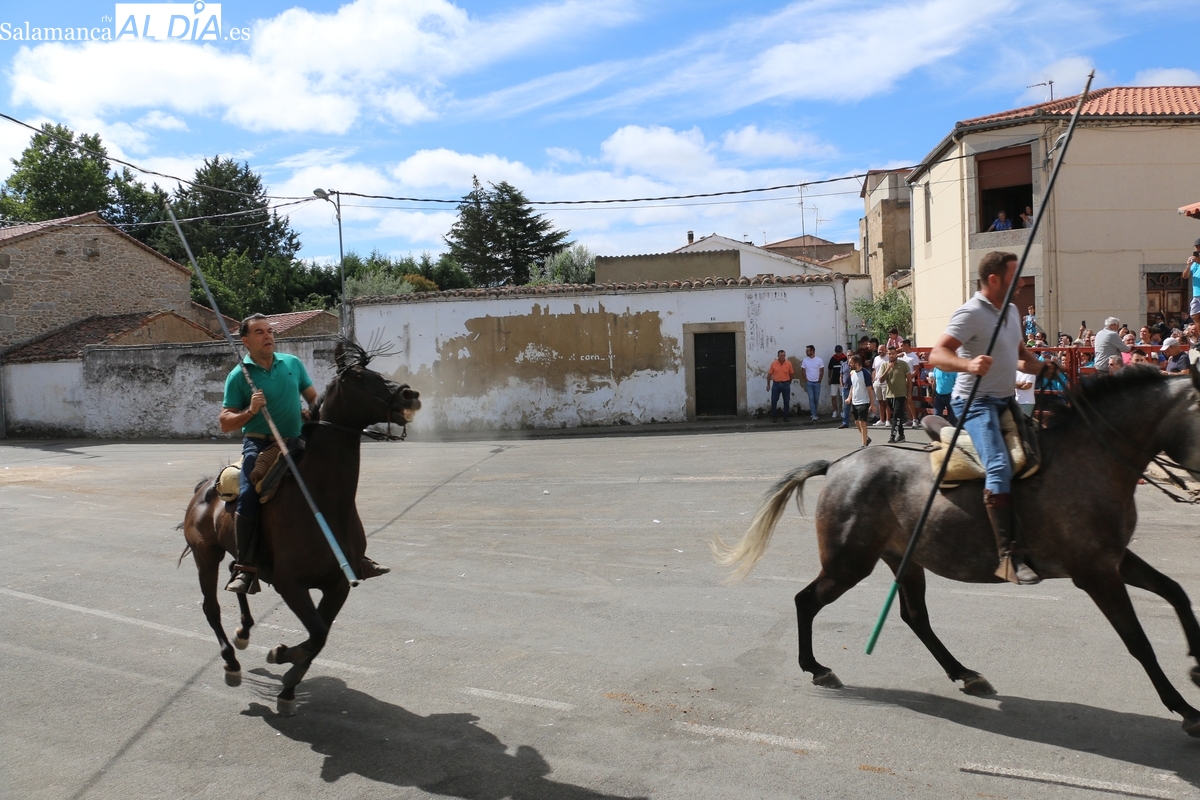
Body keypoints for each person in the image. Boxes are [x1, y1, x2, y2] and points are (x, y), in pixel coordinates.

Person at [218, 314, 395, 593]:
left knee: (335, 485)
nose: (268, 336)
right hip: (260, 444)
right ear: (246, 341)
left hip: (297, 439)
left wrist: (312, 412)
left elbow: (313, 398)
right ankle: (245, 567)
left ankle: (355, 554)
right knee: (249, 494)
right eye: (259, 332)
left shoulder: (292, 363)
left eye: (270, 331)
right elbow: (225, 422)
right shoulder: (240, 376)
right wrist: (251, 411)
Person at [929, 250, 1045, 585]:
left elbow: (1019, 356)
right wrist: (968, 364)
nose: (1020, 283)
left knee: (1045, 450)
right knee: (999, 465)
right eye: (1014, 277)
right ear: (994, 279)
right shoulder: (971, 312)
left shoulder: (1011, 310)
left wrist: (1043, 366)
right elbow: (938, 353)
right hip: (974, 402)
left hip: (1006, 399)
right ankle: (1008, 556)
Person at [879, 345, 912, 443]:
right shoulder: (885, 365)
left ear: (896, 354)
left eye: (893, 353)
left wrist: (909, 394)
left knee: (896, 415)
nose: (891, 355)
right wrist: (887, 369)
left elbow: (909, 379)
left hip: (901, 394)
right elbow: (881, 380)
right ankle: (901, 435)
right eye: (889, 354)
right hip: (889, 394)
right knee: (897, 416)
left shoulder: (903, 364)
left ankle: (892, 436)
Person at [846, 354, 876, 447]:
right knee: (856, 422)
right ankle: (866, 438)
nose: (849, 364)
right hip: (855, 402)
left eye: (850, 362)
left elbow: (870, 390)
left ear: (856, 363)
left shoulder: (865, 373)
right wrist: (849, 397)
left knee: (862, 423)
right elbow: (852, 386)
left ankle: (864, 445)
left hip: (864, 402)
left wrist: (872, 404)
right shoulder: (852, 373)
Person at [898, 338, 922, 427]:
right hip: (901, 381)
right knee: (905, 401)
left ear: (906, 345)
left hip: (909, 381)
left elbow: (916, 370)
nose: (900, 347)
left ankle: (915, 419)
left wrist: (908, 378)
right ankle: (910, 419)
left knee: (909, 400)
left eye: (902, 346)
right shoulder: (902, 355)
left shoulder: (914, 356)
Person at [766, 349, 794, 423]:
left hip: (785, 384)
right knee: (774, 400)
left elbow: (791, 374)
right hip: (776, 384)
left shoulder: (788, 364)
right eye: (781, 355)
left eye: (784, 355)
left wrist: (789, 382)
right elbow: (769, 374)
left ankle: (786, 416)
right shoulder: (773, 364)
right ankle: (774, 416)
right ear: (778, 356)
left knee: (786, 401)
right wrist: (768, 384)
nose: (783, 356)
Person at [800, 345, 825, 422]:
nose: (806, 352)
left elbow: (822, 370)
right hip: (809, 382)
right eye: (806, 351)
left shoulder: (819, 360)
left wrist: (819, 380)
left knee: (816, 399)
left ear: (812, 351)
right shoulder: (805, 360)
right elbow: (803, 371)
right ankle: (813, 414)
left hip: (817, 382)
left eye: (808, 351)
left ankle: (815, 413)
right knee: (811, 398)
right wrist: (806, 380)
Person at [1183, 238, 1200, 330]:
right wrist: (1188, 266)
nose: (1197, 248)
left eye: (1199, 246)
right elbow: (1185, 276)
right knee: (1194, 315)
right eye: (1196, 247)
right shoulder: (1194, 263)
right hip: (1196, 294)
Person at [872, 345, 890, 427]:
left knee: (887, 402)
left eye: (882, 349)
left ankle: (888, 420)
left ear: (885, 350)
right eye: (879, 349)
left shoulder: (888, 358)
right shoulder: (876, 358)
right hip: (877, 382)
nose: (881, 351)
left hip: (886, 382)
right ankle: (882, 420)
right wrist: (874, 380)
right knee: (880, 402)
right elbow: (874, 370)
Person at [828, 345, 847, 419]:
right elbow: (829, 369)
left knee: (842, 397)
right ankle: (835, 411)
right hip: (834, 381)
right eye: (836, 352)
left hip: (842, 381)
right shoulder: (833, 358)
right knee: (833, 396)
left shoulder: (845, 358)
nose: (838, 353)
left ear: (842, 351)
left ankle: (841, 411)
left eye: (839, 351)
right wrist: (829, 378)